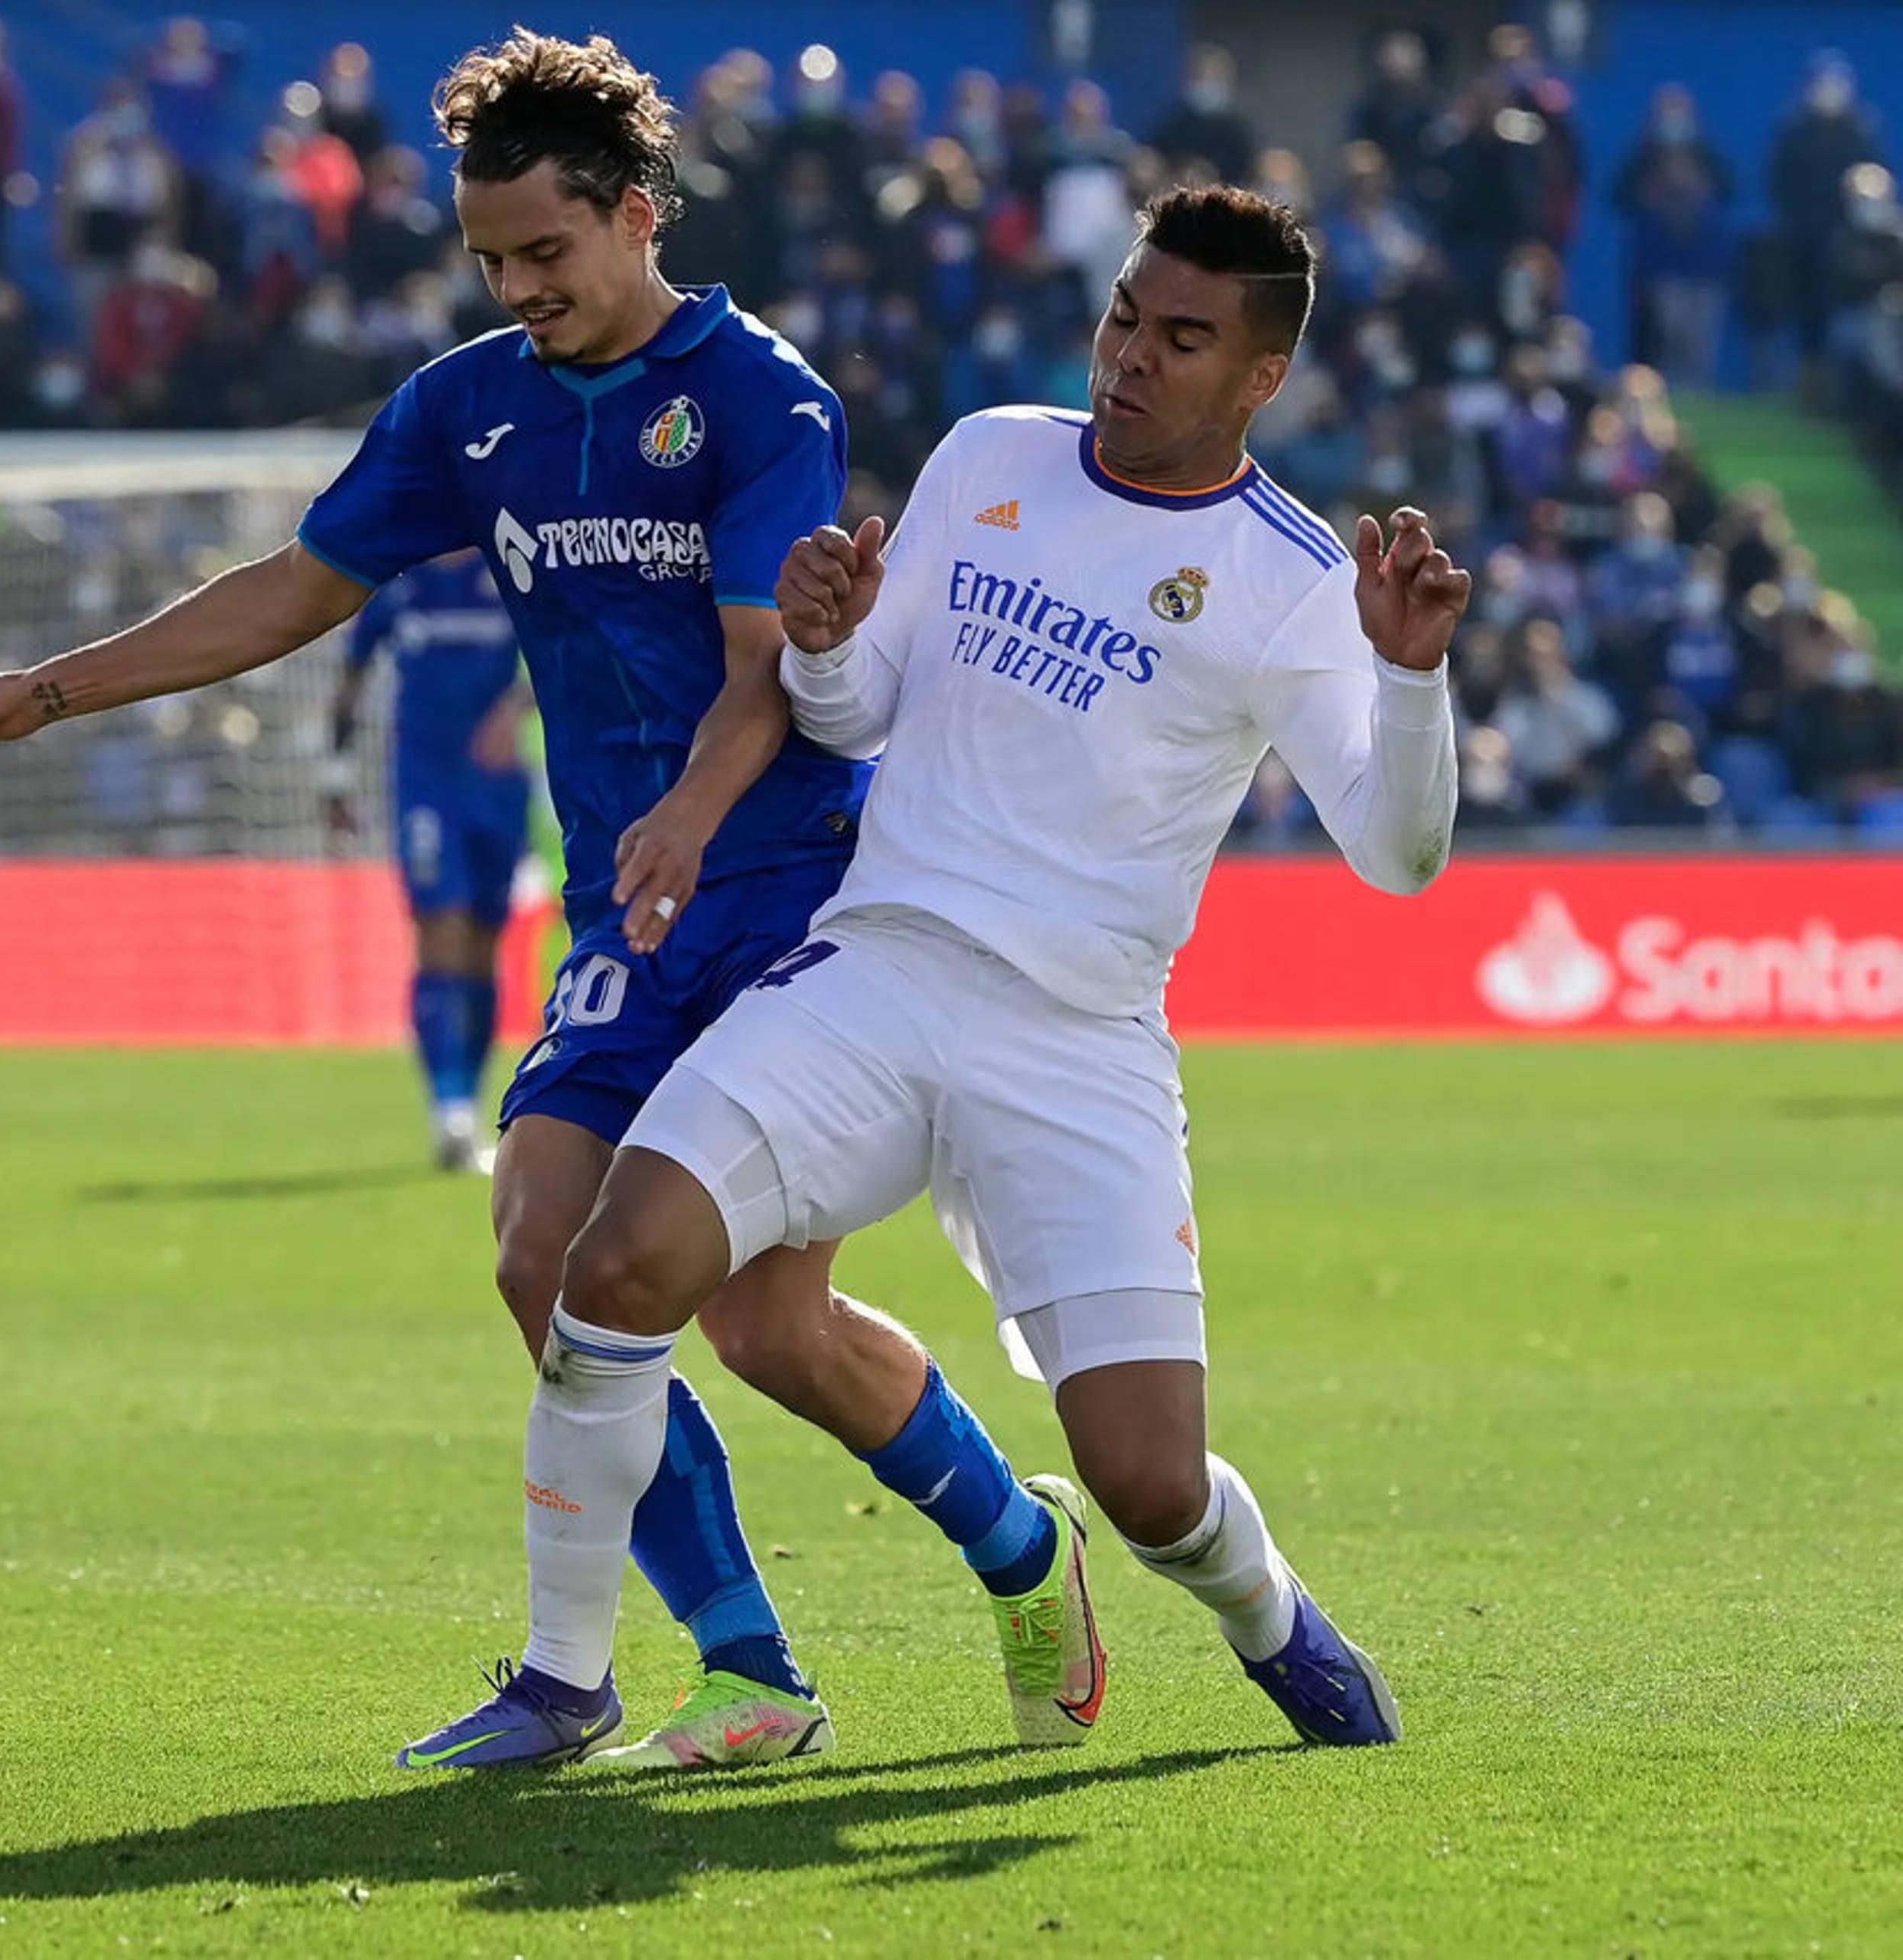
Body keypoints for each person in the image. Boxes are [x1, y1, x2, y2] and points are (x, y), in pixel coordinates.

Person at [0, 30, 1099, 1775]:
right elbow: (293, 590)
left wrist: (690, 812)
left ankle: (1019, 1549)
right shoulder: (466, 408)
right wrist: (47, 688)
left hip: (795, 903)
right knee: (541, 1251)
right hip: (634, 911)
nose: (516, 287)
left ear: (634, 217)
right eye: (488, 261)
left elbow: (765, 659)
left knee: (766, 1324)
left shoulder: (755, 395)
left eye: (544, 252)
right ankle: (730, 1666)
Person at [467, 184, 1466, 1759]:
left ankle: (1270, 1613)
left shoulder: (1289, 577)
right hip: (878, 973)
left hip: (1076, 1041)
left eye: (1181, 336)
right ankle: (568, 1681)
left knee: (1148, 1485)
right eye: (1127, 311)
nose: (1130, 354)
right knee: (615, 1265)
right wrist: (825, 640)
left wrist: (1410, 680)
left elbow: (1399, 856)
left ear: (1259, 377)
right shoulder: (993, 454)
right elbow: (859, 714)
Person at [324, 549, 533, 1172]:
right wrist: (334, 778)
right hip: (426, 785)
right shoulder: (399, 584)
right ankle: (449, 1111)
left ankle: (467, 1106)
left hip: (498, 786)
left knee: (482, 946)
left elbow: (569, 647)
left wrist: (517, 709)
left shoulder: (509, 568)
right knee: (439, 934)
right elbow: (352, 675)